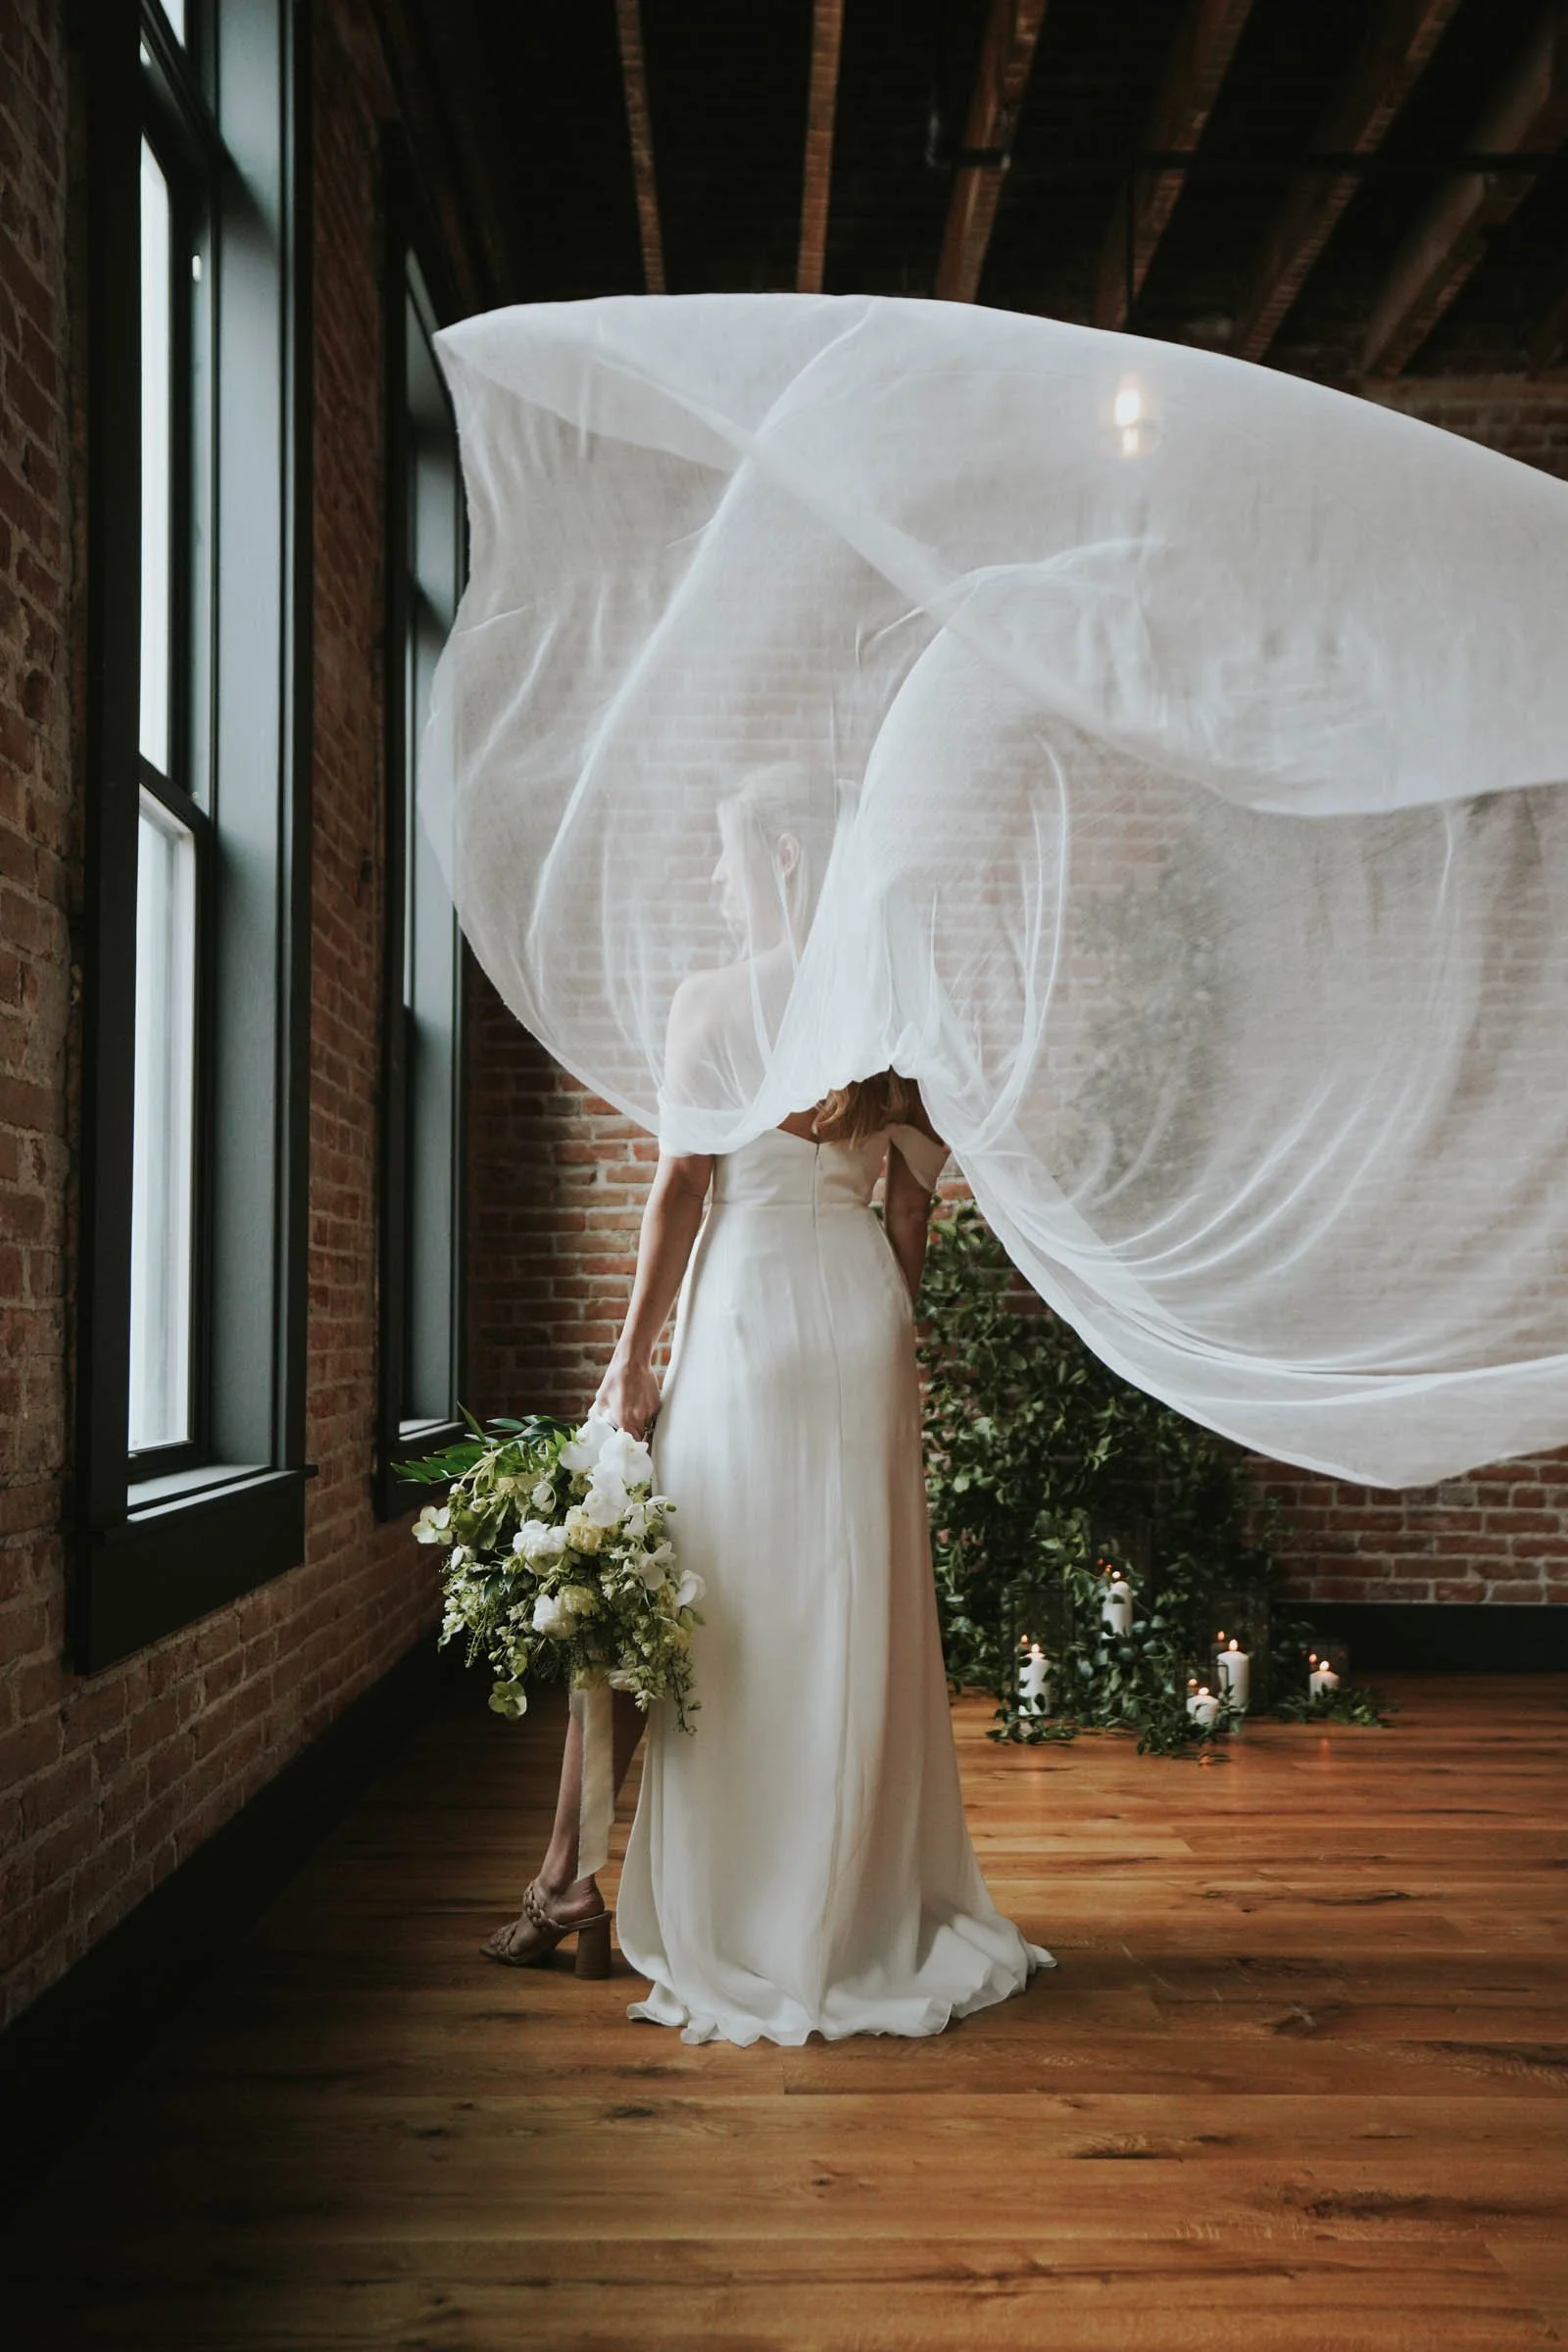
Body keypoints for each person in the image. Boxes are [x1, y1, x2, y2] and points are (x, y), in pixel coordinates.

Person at [479, 768, 1055, 2044]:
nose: (715, 880)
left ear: (788, 859)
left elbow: (682, 1186)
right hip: (857, 1320)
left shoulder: (714, 1003)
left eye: (729, 856)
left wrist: (633, 1359)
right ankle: (849, 1902)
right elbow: (911, 1212)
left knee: (711, 1597)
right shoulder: (894, 1019)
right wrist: (889, 1339)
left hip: (742, 1313)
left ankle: (657, 1895)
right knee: (847, 1611)